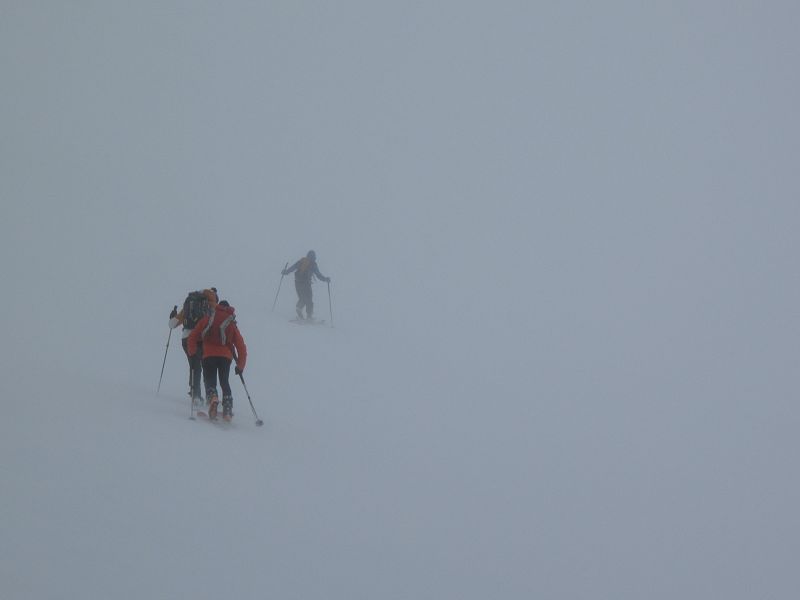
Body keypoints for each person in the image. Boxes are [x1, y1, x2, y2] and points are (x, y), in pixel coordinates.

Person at [186, 300, 247, 421]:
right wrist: (240, 366)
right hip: (225, 357)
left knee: (210, 379)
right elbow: (241, 346)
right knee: (224, 381)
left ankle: (213, 396)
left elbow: (193, 336)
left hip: (208, 354)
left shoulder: (209, 318)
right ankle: (227, 409)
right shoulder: (231, 322)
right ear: (228, 308)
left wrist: (192, 352)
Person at [168, 288, 218, 404]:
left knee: (194, 366)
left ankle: (195, 393)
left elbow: (172, 324)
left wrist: (172, 317)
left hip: (186, 338)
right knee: (204, 367)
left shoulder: (189, 304)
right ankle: (208, 396)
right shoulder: (211, 305)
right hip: (202, 339)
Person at [282, 250, 330, 320]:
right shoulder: (313, 264)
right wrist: (325, 279)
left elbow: (292, 268)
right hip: (306, 284)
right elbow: (318, 275)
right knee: (309, 300)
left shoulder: (301, 261)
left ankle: (298, 308)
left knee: (302, 298)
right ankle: (309, 316)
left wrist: (285, 272)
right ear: (314, 257)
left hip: (297, 283)